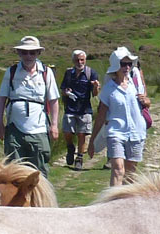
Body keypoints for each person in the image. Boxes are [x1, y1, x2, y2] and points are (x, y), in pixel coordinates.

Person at [0, 36, 60, 177]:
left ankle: (41, 199)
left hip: (39, 129)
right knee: (14, 171)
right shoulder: (11, 72)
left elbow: (53, 101)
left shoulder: (46, 73)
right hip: (14, 130)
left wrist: (54, 125)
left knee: (40, 171)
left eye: (32, 53)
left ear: (38, 53)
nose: (28, 56)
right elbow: (1, 99)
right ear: (19, 53)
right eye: (24, 52)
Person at [88, 47, 147, 186]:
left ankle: (127, 204)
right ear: (116, 66)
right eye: (123, 64)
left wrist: (147, 101)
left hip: (136, 132)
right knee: (118, 168)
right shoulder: (109, 89)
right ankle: (112, 204)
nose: (127, 67)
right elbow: (101, 116)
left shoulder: (135, 84)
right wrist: (92, 141)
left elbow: (146, 102)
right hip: (116, 132)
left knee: (131, 172)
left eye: (129, 64)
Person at [60, 50, 100, 171]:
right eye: (77, 60)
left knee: (82, 134)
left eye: (82, 60)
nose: (80, 62)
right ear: (73, 60)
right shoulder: (68, 73)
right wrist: (67, 93)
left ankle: (79, 158)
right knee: (67, 132)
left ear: (85, 60)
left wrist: (95, 87)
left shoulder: (91, 73)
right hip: (70, 108)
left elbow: (95, 94)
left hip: (84, 108)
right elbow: (63, 89)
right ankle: (70, 147)